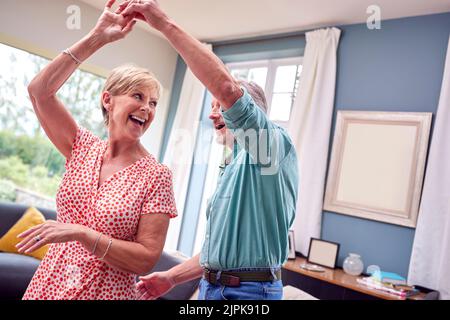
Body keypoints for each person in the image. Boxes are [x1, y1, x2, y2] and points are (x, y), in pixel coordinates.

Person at [120, 0, 299, 300]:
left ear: (249, 113)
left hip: (250, 294)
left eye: (220, 108)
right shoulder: (234, 164)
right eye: (212, 107)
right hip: (212, 287)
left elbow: (228, 89)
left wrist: (163, 22)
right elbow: (218, 253)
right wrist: (171, 277)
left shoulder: (271, 146)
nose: (212, 115)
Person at [16, 0, 177, 300]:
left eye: (154, 102)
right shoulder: (82, 148)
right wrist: (97, 37)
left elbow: (146, 258)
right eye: (138, 96)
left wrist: (81, 233)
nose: (147, 108)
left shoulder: (156, 176)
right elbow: (39, 91)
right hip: (49, 287)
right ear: (108, 100)